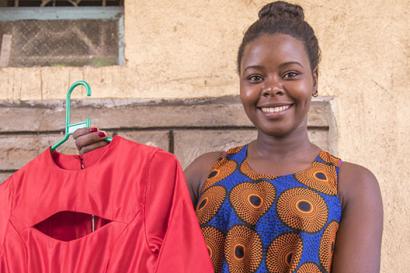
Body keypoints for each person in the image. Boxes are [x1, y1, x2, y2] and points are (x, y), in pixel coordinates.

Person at [73, 1, 383, 272]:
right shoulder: (205, 173)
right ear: (241, 85)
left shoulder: (351, 184)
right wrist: (108, 170)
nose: (272, 87)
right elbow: (142, 245)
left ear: (314, 81)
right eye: (255, 77)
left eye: (290, 74)